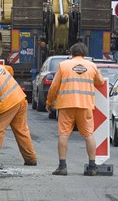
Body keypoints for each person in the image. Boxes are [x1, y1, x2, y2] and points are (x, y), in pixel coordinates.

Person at [45, 42, 105, 176]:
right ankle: (92, 166)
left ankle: (62, 166)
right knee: (89, 135)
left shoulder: (63, 65)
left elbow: (54, 86)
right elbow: (100, 81)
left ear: (71, 53)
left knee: (64, 135)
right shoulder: (91, 66)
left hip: (66, 105)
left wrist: (49, 102)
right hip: (85, 105)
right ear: (85, 53)